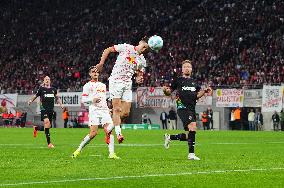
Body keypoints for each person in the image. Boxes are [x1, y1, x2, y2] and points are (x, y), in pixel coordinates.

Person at [96, 36, 150, 143]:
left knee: (125, 113)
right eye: (143, 47)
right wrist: (101, 63)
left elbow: (139, 74)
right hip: (116, 81)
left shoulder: (142, 60)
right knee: (117, 109)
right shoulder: (126, 47)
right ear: (140, 43)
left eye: (146, 49)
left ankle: (108, 129)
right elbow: (108, 50)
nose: (143, 50)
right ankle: (119, 134)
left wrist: (139, 78)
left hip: (127, 84)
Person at [163, 60, 212, 160]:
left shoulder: (194, 82)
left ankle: (169, 137)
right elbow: (169, 92)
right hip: (182, 107)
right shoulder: (178, 80)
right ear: (182, 69)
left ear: (191, 69)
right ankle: (191, 154)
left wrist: (205, 91)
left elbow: (197, 95)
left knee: (189, 134)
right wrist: (166, 91)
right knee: (193, 127)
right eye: (185, 66)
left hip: (191, 108)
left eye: (189, 67)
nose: (187, 68)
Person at [72, 66, 119, 159]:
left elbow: (104, 99)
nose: (95, 73)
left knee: (109, 130)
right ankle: (78, 149)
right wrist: (92, 100)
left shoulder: (103, 85)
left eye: (97, 72)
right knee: (93, 133)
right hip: (94, 111)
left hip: (104, 111)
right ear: (90, 74)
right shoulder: (87, 86)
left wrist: (108, 109)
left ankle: (112, 153)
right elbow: (84, 100)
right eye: (93, 72)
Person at [28, 76, 64, 148]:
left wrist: (61, 104)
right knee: (47, 122)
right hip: (43, 109)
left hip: (51, 110)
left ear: (50, 81)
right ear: (44, 81)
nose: (47, 80)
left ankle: (36, 128)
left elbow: (57, 98)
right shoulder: (41, 89)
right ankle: (49, 143)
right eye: (46, 80)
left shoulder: (53, 89)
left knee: (47, 126)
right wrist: (30, 100)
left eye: (48, 79)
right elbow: (35, 95)